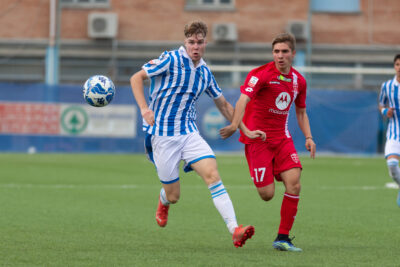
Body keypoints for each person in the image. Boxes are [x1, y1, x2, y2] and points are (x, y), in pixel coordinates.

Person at [130, 21, 263, 247]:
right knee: (174, 196)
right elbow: (136, 78)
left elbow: (224, 105)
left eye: (200, 42)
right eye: (191, 42)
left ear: (205, 43)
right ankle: (163, 200)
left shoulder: (204, 72)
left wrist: (245, 130)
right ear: (185, 42)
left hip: (189, 133)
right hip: (162, 135)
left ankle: (235, 229)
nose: (195, 46)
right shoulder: (171, 59)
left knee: (212, 175)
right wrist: (144, 109)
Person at [220, 33, 316, 252]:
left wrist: (308, 137)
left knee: (294, 183)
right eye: (276, 52)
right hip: (258, 140)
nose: (279, 56)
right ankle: (271, 168)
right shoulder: (261, 75)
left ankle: (282, 238)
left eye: (284, 52)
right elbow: (243, 99)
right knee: (267, 195)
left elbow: (301, 112)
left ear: (293, 53)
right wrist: (236, 126)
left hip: (282, 139)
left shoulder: (299, 81)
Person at [378, 53, 400, 207]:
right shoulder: (387, 86)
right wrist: (385, 112)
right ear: (394, 66)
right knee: (392, 165)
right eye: (397, 64)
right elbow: (381, 104)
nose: (399, 68)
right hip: (394, 132)